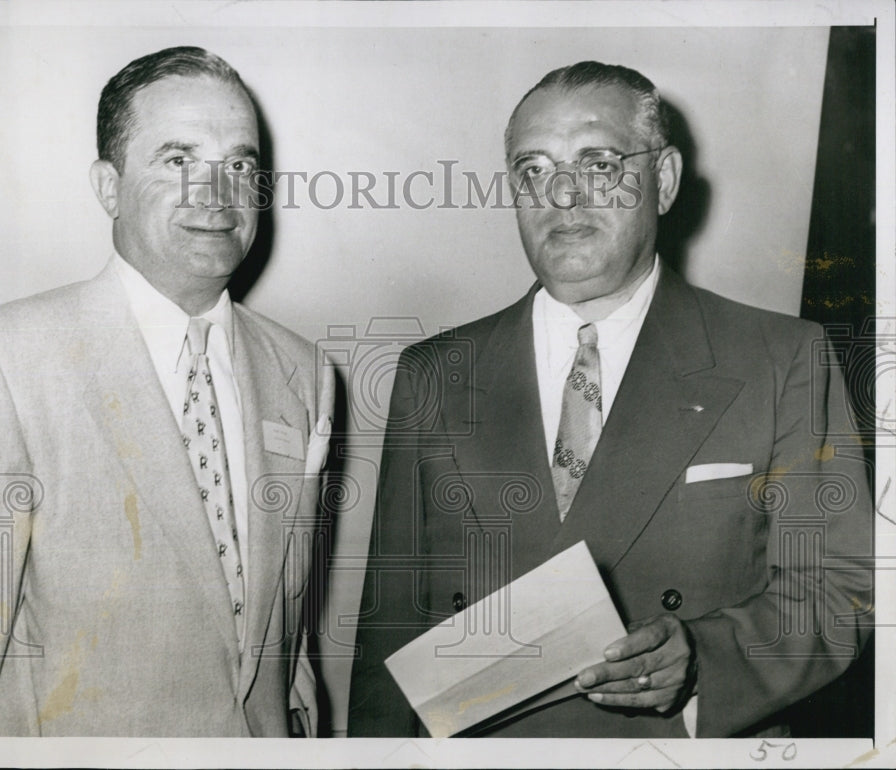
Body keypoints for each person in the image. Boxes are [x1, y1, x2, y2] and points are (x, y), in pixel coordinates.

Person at [347, 61, 872, 738]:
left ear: (665, 179)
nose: (562, 195)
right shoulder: (435, 372)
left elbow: (838, 593)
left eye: (598, 163)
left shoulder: (779, 358)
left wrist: (703, 660)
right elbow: (387, 634)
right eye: (533, 169)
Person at [0, 46, 332, 737]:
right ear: (108, 186)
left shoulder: (305, 372)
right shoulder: (1, 357)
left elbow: (284, 634)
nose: (217, 193)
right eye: (177, 160)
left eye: (239, 164)